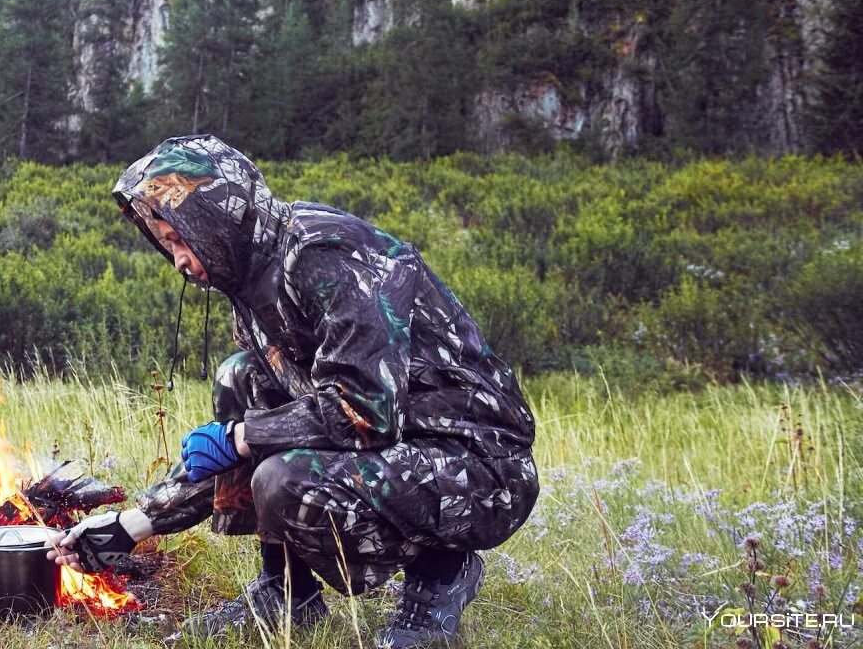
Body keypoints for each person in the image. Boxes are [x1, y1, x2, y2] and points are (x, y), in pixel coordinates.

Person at [45, 135, 539, 648]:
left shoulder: (323, 254)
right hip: (401, 447)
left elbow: (364, 409)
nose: (178, 262)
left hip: (480, 469)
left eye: (180, 240)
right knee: (240, 378)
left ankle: (440, 577)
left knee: (283, 477)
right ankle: (287, 592)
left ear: (215, 220)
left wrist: (241, 436)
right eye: (167, 244)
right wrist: (131, 526)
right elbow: (250, 438)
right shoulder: (252, 280)